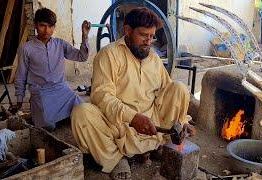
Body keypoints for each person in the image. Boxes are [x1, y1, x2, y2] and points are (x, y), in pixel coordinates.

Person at [71, 7, 196, 180]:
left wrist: (183, 120)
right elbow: (102, 97)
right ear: (128, 31)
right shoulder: (108, 55)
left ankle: (157, 145)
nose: (149, 41)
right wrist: (133, 117)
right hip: (120, 125)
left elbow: (168, 91)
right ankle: (116, 159)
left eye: (152, 37)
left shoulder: (153, 57)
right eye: (144, 35)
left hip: (152, 125)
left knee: (179, 88)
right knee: (81, 113)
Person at [14, 8, 91, 131]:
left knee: (84, 111)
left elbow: (82, 57)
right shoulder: (26, 48)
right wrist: (19, 99)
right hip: (41, 92)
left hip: (62, 89)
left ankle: (63, 114)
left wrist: (85, 36)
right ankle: (41, 110)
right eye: (42, 26)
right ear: (35, 25)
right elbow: (21, 75)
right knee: (48, 126)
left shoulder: (60, 44)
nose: (46, 30)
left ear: (54, 27)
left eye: (50, 26)